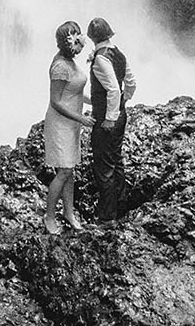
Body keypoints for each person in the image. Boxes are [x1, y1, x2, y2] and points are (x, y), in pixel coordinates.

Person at [42, 20, 94, 234]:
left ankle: (69, 212)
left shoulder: (69, 62)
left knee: (69, 170)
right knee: (64, 171)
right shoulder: (61, 66)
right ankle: (49, 216)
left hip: (71, 124)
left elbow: (74, 92)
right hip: (61, 124)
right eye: (78, 38)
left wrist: (96, 102)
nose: (81, 42)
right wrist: (81, 118)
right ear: (70, 43)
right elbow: (56, 101)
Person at [86, 16, 136, 222]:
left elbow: (113, 89)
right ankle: (121, 208)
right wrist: (125, 101)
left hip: (108, 118)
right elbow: (131, 83)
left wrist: (109, 117)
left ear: (92, 37)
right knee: (116, 162)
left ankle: (107, 217)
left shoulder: (100, 58)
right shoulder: (119, 54)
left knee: (104, 168)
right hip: (120, 114)